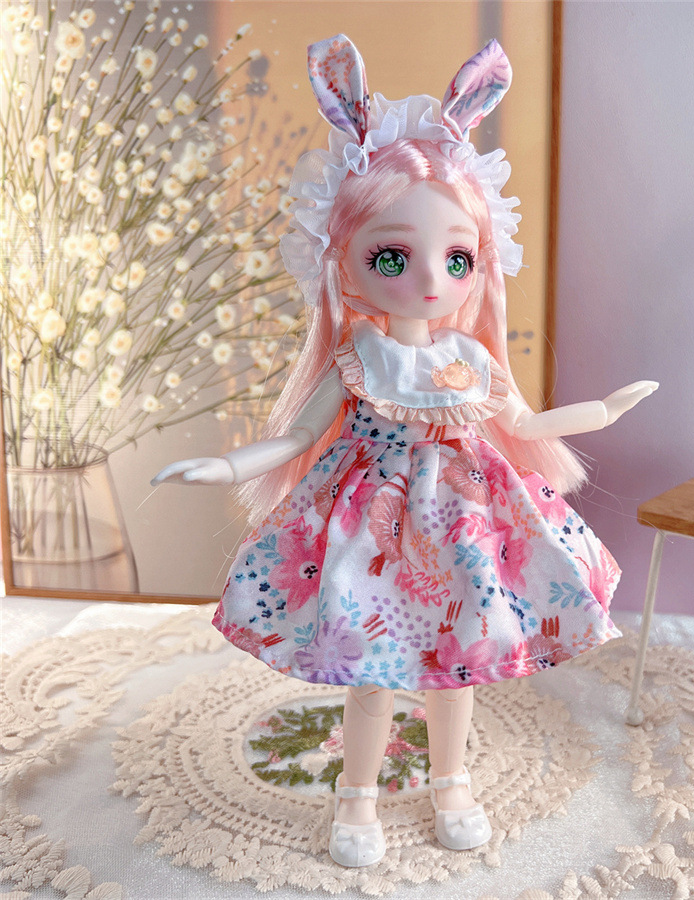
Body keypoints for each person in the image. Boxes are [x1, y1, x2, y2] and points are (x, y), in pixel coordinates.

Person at [152, 34, 657, 868]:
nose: (429, 278)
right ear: (346, 266)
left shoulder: (472, 360)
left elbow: (523, 424)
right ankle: (357, 795)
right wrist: (229, 466)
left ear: (479, 262)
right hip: (371, 525)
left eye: (456, 258)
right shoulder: (361, 356)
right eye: (393, 255)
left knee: (459, 662)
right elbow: (300, 434)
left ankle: (451, 780)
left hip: (464, 523)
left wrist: (601, 411)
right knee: (373, 669)